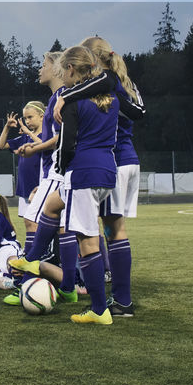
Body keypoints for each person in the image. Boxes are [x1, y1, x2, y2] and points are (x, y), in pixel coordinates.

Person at [10, 46, 119, 324]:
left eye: (63, 70)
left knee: (87, 243)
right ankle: (33, 259)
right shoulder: (111, 98)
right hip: (107, 170)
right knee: (52, 204)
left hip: (82, 172)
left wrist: (62, 167)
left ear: (70, 69)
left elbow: (67, 144)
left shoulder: (71, 102)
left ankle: (98, 310)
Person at [57, 35, 146, 317]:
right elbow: (139, 111)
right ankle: (121, 300)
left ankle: (116, 301)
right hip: (121, 160)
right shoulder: (120, 83)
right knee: (112, 231)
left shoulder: (104, 83)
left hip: (109, 162)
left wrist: (66, 97)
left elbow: (106, 88)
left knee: (100, 233)